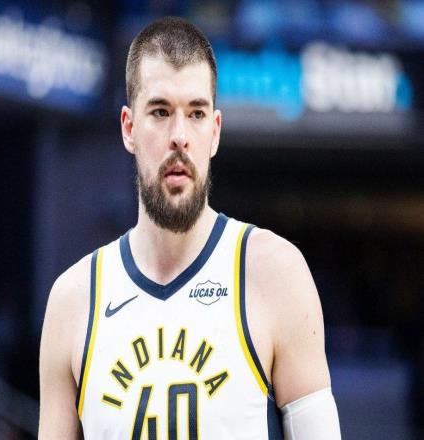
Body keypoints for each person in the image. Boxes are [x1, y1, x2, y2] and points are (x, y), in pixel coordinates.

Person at [39, 16, 342, 439]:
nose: (179, 136)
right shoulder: (73, 300)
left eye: (196, 113)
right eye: (160, 112)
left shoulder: (275, 273)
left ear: (214, 132)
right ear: (129, 128)